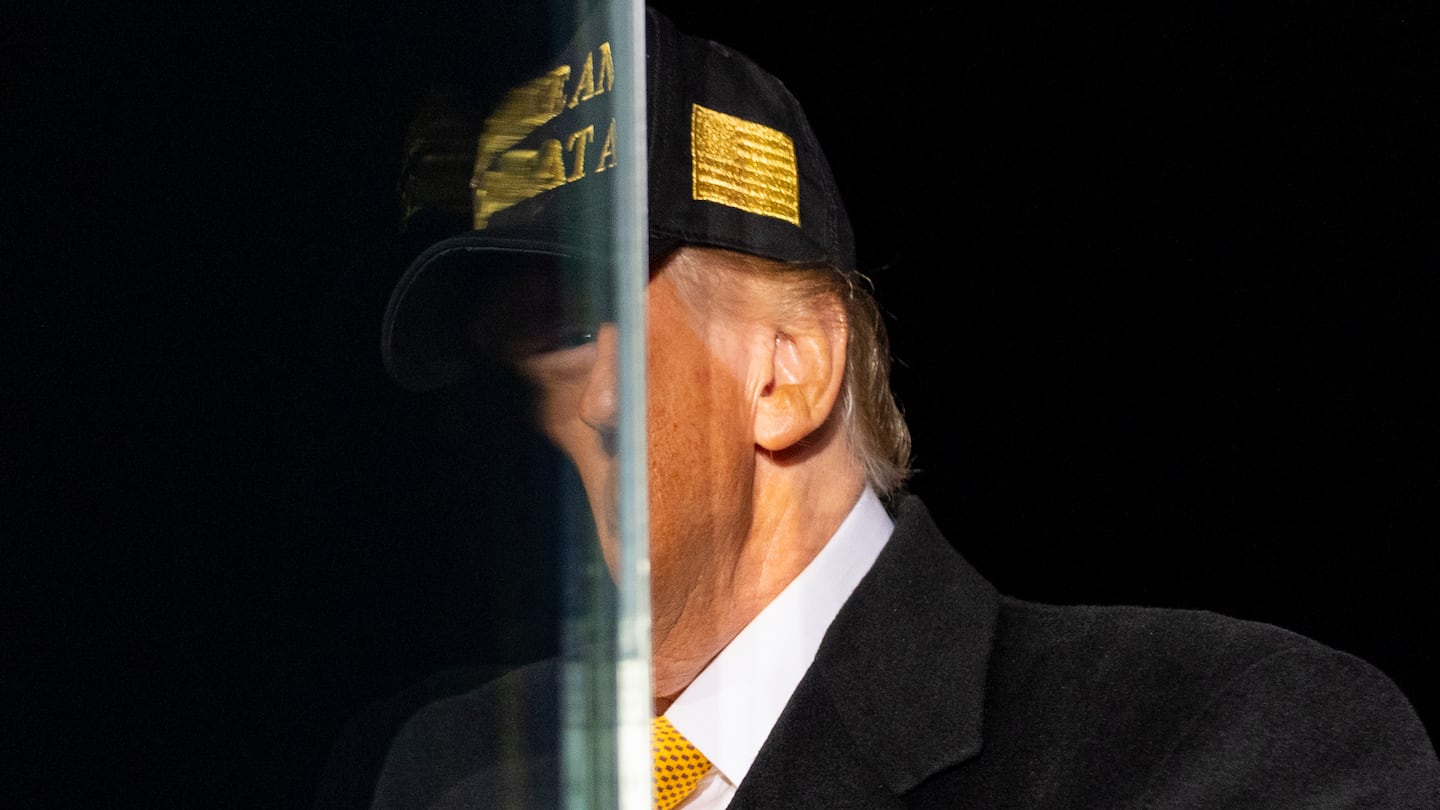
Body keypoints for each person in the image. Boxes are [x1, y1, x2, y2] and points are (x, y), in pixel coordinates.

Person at [367, 5, 1440, 808]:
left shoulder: (1207, 737)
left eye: (561, 336)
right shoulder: (450, 770)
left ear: (786, 371)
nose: (515, 416)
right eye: (492, 365)